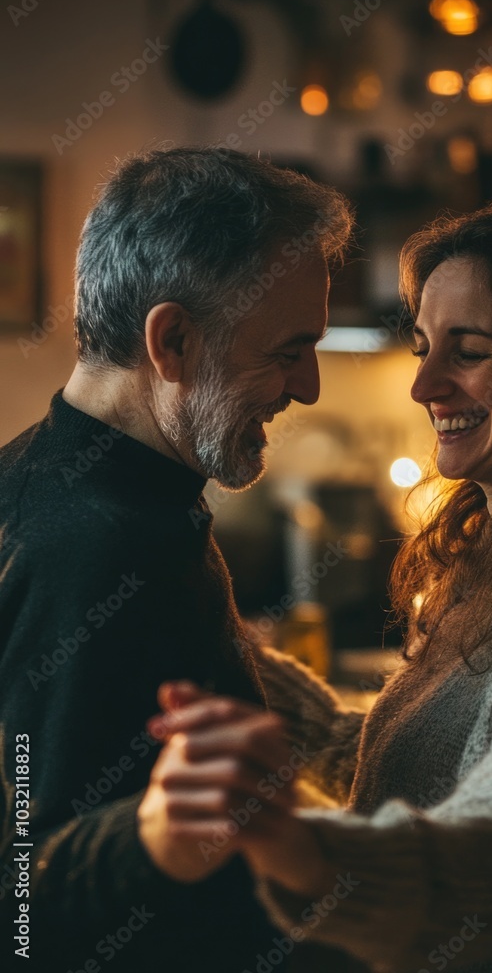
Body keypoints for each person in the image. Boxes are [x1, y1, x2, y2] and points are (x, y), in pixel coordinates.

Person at [150, 202, 492, 973]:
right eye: (425, 347)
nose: (425, 385)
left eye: (469, 352)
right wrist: (214, 633)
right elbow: (397, 767)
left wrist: (295, 844)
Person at [0, 146, 353, 971]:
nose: (306, 388)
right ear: (174, 341)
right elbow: (25, 914)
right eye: (287, 349)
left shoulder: (93, 486)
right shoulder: (92, 551)